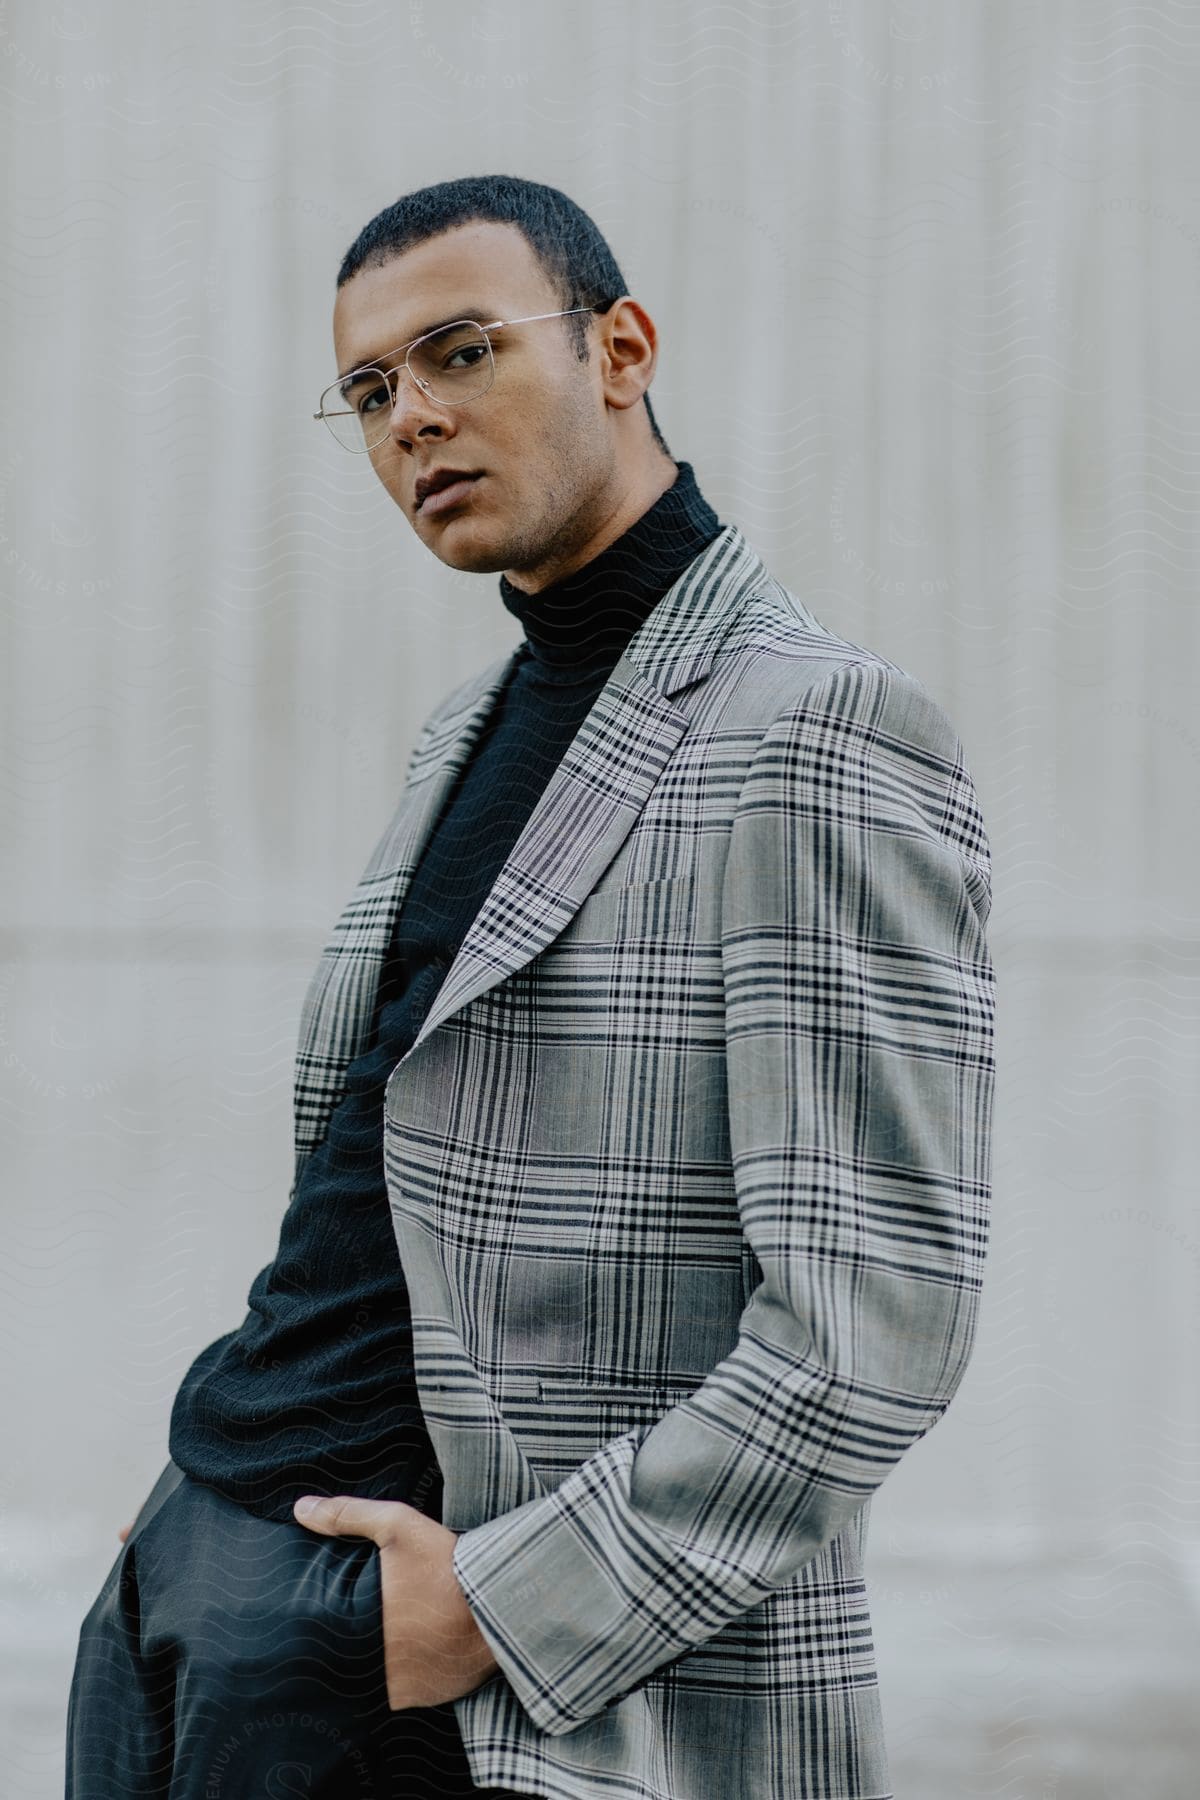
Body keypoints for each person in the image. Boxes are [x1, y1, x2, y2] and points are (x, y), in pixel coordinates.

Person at [65, 174, 995, 1800]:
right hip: (203, 1569)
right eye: (369, 391)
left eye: (461, 352)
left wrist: (491, 1614)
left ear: (621, 348)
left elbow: (872, 1328)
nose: (412, 417)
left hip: (457, 1670)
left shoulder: (820, 731)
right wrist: (186, 1514)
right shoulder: (471, 724)